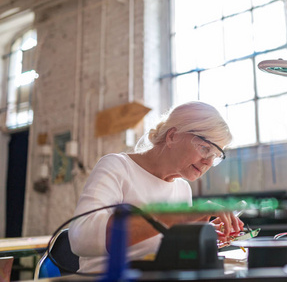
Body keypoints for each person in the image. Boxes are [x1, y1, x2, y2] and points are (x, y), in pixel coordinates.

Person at [68, 101, 244, 273]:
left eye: (215, 156)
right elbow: (81, 239)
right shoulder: (117, 166)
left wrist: (199, 236)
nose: (208, 162)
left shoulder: (182, 188)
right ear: (172, 136)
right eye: (205, 148)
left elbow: (170, 254)